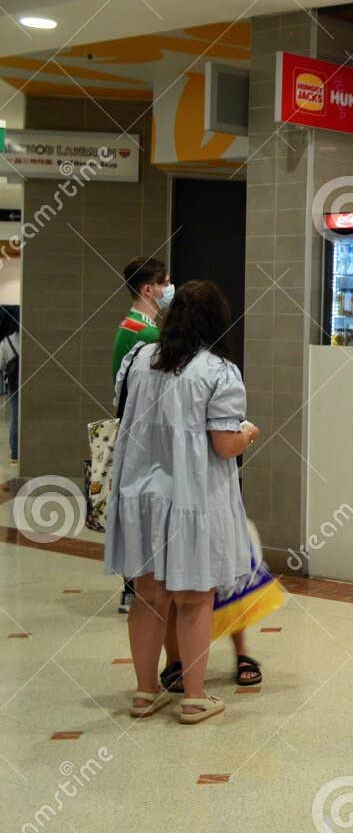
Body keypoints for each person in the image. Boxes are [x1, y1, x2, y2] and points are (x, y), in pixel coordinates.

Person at [104, 281, 259, 725]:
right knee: (194, 596)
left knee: (149, 596)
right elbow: (224, 445)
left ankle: (144, 693)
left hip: (141, 495)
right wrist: (248, 434)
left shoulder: (139, 360)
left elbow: (122, 414)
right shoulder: (219, 371)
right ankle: (193, 698)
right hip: (194, 499)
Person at [113, 258, 170, 613]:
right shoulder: (146, 335)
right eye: (165, 283)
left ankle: (133, 585)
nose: (169, 288)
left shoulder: (129, 326)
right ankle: (136, 586)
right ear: (148, 289)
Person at [0, 313, 18, 463]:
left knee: (16, 417)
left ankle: (15, 453)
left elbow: (1, 364)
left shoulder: (6, 342)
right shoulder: (29, 341)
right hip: (29, 384)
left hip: (14, 385)